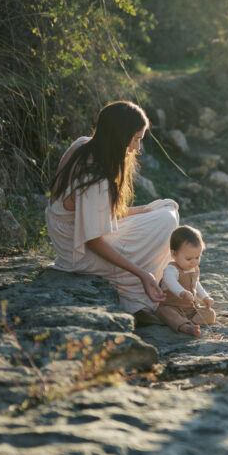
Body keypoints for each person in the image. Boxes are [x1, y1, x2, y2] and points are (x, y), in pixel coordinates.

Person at [46, 100, 179, 322]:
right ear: (119, 136)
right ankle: (138, 298)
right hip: (77, 248)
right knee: (166, 220)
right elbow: (93, 240)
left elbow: (97, 214)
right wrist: (141, 273)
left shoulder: (82, 144)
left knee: (165, 206)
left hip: (75, 233)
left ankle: (148, 289)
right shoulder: (95, 176)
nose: (137, 148)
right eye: (135, 139)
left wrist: (144, 210)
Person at [157, 225, 216, 337]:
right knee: (165, 313)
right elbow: (170, 282)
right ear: (174, 254)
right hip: (172, 306)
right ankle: (185, 327)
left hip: (191, 309)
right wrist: (182, 292)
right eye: (189, 259)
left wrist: (205, 297)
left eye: (197, 257)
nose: (193, 262)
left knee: (210, 314)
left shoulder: (193, 269)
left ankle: (191, 322)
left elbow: (196, 285)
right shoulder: (171, 269)